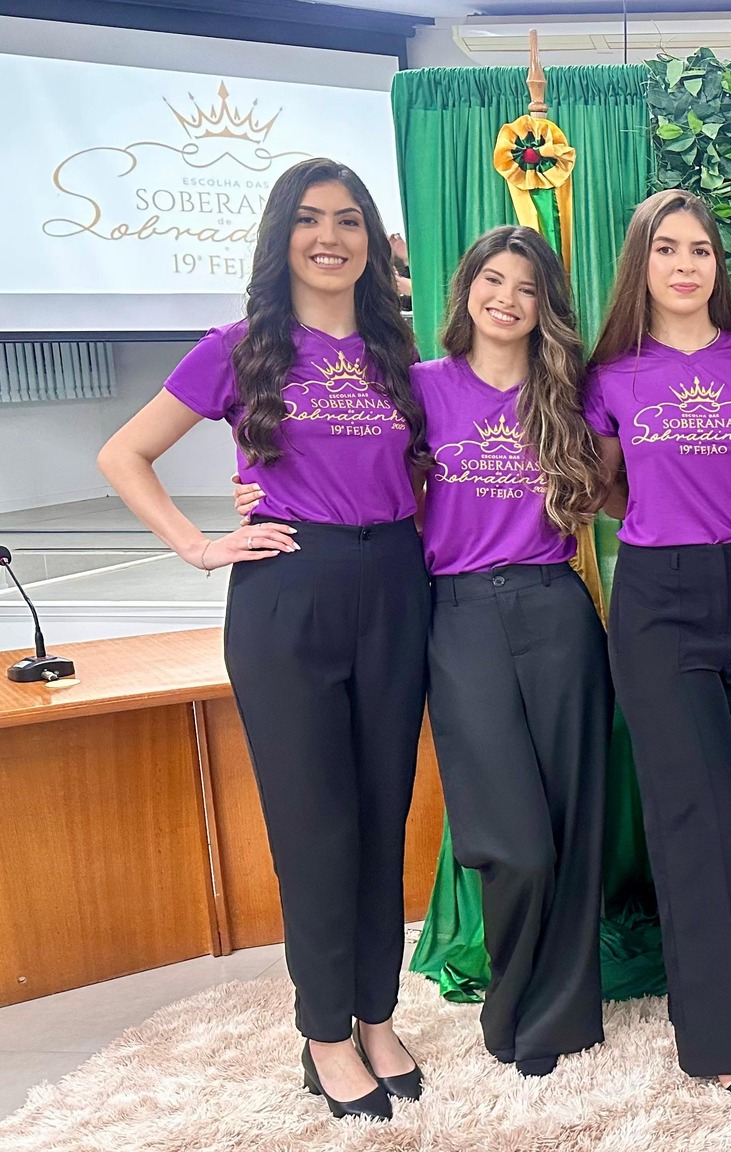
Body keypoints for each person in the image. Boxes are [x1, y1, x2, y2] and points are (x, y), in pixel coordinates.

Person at [235, 225, 612, 1079]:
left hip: (557, 609)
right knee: (514, 842)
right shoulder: (418, 386)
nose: (507, 299)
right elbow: (355, 468)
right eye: (493, 280)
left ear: (545, 305)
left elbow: (616, 484)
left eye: (527, 287)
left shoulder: (568, 390)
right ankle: (508, 1007)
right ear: (466, 289)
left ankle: (560, 1019)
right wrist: (260, 488)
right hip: (458, 613)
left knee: (575, 826)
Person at [97, 158, 428, 1121]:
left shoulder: (398, 353)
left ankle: (376, 1015)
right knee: (315, 827)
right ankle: (324, 1034)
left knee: (382, 816)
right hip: (289, 592)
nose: (331, 238)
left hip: (394, 584)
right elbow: (125, 453)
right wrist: (200, 544)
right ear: (281, 235)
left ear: (371, 241)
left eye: (350, 221)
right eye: (311, 219)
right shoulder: (239, 348)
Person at [584, 189, 731, 1095]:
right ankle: (721, 1044)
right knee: (693, 815)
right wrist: (666, 519)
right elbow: (599, 486)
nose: (684, 265)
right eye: (666, 248)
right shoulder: (611, 374)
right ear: (642, 263)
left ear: (717, 265)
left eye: (700, 249)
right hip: (658, 601)